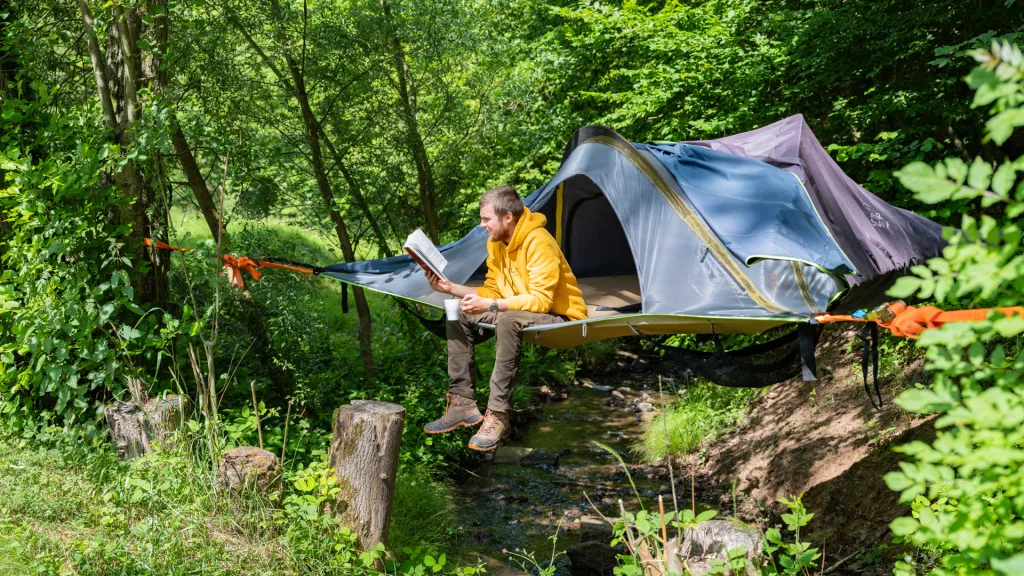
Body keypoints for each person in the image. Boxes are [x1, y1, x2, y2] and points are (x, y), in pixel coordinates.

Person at [423, 185, 587, 451]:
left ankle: (498, 415)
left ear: (507, 217)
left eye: (486, 218)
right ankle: (463, 402)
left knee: (508, 318)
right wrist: (451, 288)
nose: (482, 225)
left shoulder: (539, 241)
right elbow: (492, 290)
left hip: (561, 317)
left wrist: (493, 305)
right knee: (456, 308)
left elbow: (541, 301)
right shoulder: (496, 244)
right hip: (516, 310)